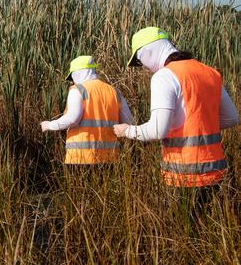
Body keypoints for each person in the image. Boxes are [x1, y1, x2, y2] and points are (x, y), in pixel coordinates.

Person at [113, 27, 238, 210]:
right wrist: (197, 124)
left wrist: (127, 131)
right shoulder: (210, 72)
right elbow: (232, 118)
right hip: (216, 171)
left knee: (186, 231)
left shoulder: (164, 76)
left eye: (140, 61)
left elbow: (157, 130)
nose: (144, 68)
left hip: (183, 174)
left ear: (148, 51)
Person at [40, 55, 134, 164]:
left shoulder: (78, 90)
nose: (73, 82)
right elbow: (129, 122)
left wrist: (49, 125)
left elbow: (72, 119)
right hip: (110, 158)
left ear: (77, 73)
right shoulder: (115, 92)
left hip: (81, 157)